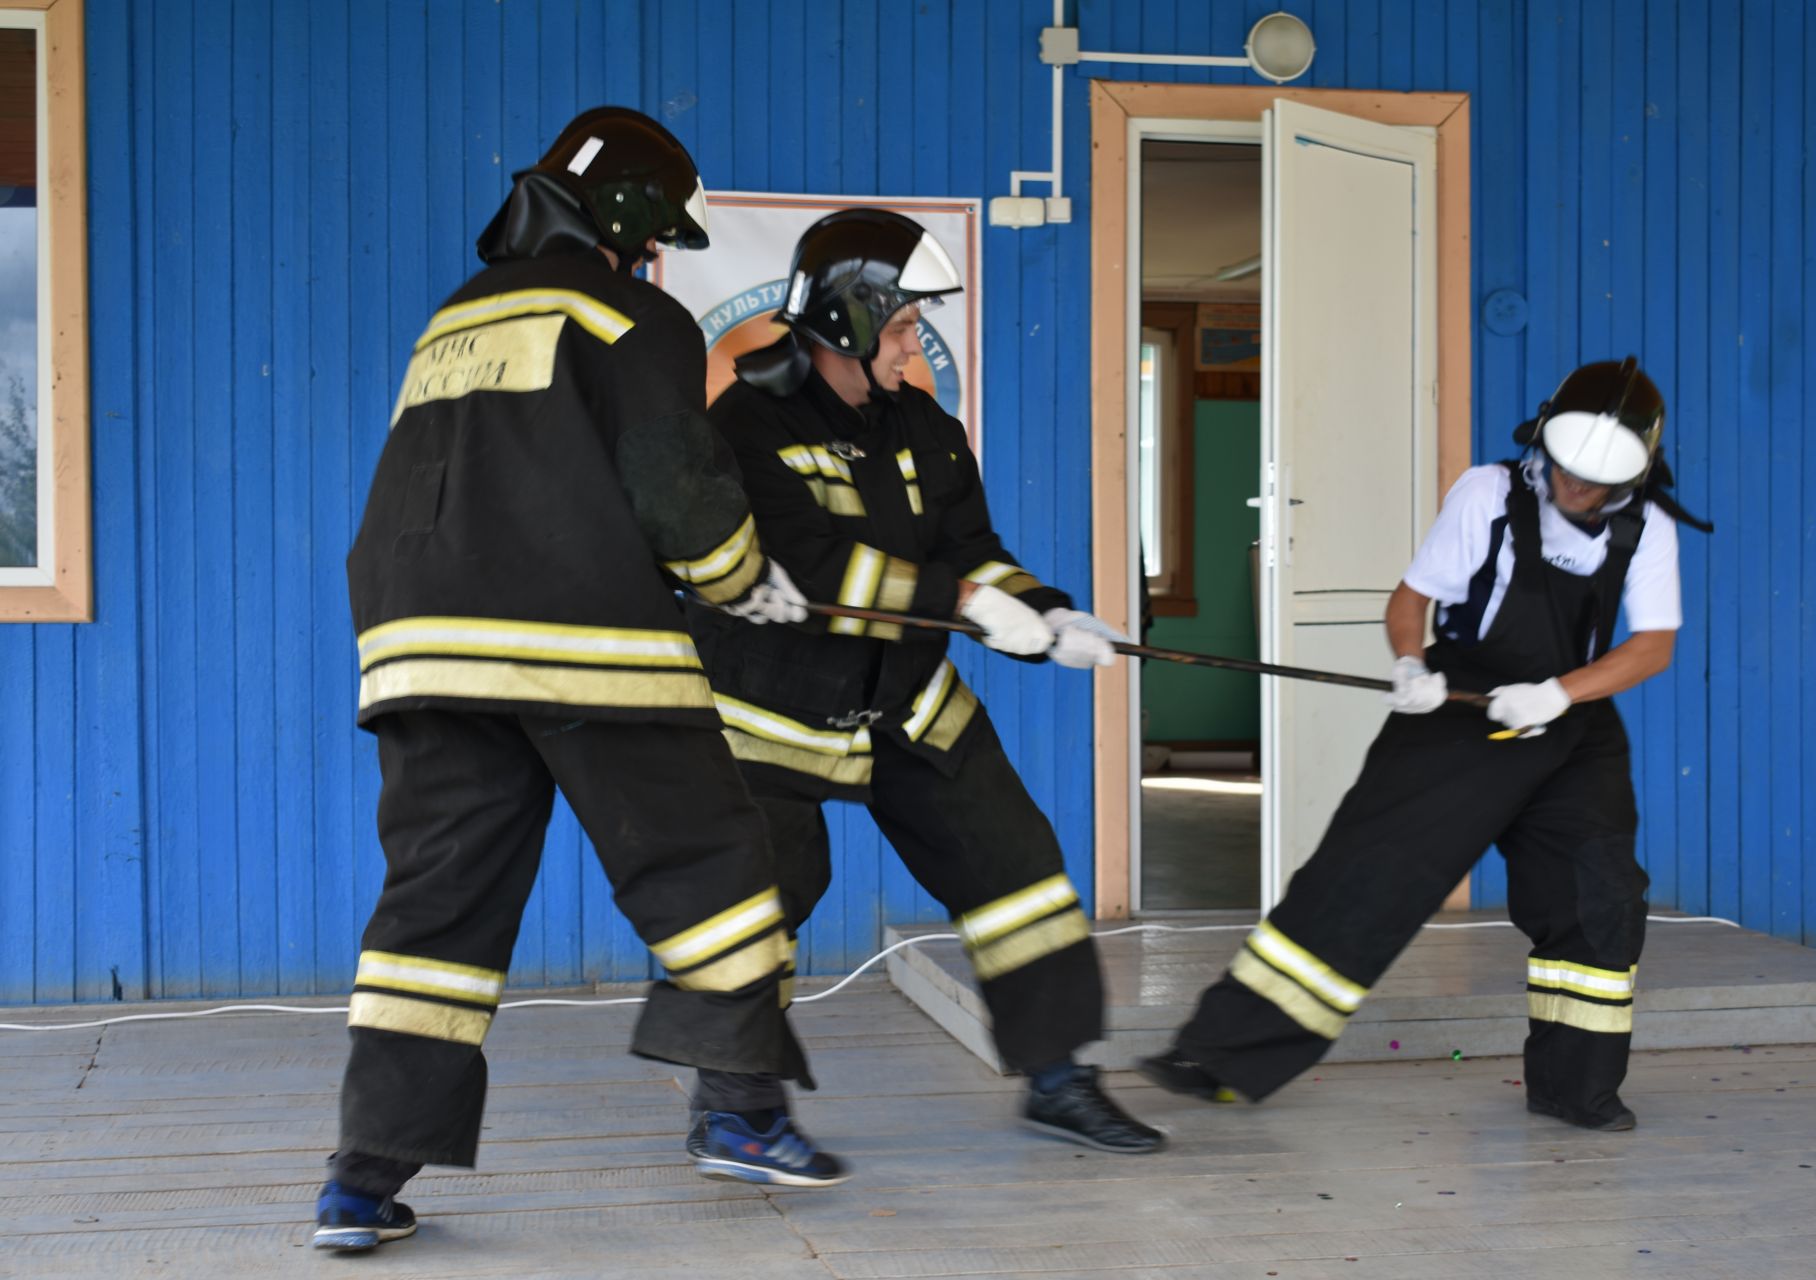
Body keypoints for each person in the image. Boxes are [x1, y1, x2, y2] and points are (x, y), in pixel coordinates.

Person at [314, 107, 844, 1254]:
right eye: (658, 241)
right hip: (578, 643)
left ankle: (360, 1178)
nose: (658, 263)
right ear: (630, 225)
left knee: (432, 916)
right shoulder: (628, 312)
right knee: (716, 865)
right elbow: (677, 484)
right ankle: (744, 1113)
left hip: (417, 650)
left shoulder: (452, 320)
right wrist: (745, 579)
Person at [683, 207, 1165, 1162]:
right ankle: (737, 1108)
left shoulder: (925, 424)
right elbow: (811, 569)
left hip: (909, 699)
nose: (914, 345)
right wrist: (964, 602)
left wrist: (1048, 614)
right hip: (773, 710)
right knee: (764, 898)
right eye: (903, 326)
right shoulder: (748, 423)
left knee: (1013, 865)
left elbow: (973, 552)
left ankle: (1060, 1077)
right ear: (852, 320)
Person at [1138, 357, 1711, 1133]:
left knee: (1598, 899)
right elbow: (1413, 599)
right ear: (1546, 441)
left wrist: (1558, 693)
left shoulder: (1649, 529)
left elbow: (1651, 647)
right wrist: (1410, 662)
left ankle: (1576, 1089)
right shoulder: (1488, 493)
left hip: (1572, 724)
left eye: (1596, 484)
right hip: (1461, 707)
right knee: (1366, 877)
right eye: (1568, 474)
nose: (1577, 491)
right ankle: (1222, 1057)